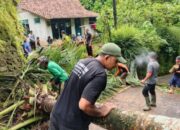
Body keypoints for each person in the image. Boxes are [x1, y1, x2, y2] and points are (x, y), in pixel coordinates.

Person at [49, 43, 126, 130]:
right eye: (116, 61)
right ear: (107, 57)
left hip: (56, 115)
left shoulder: (83, 61)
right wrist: (101, 111)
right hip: (72, 125)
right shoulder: (100, 75)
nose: (116, 65)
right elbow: (84, 105)